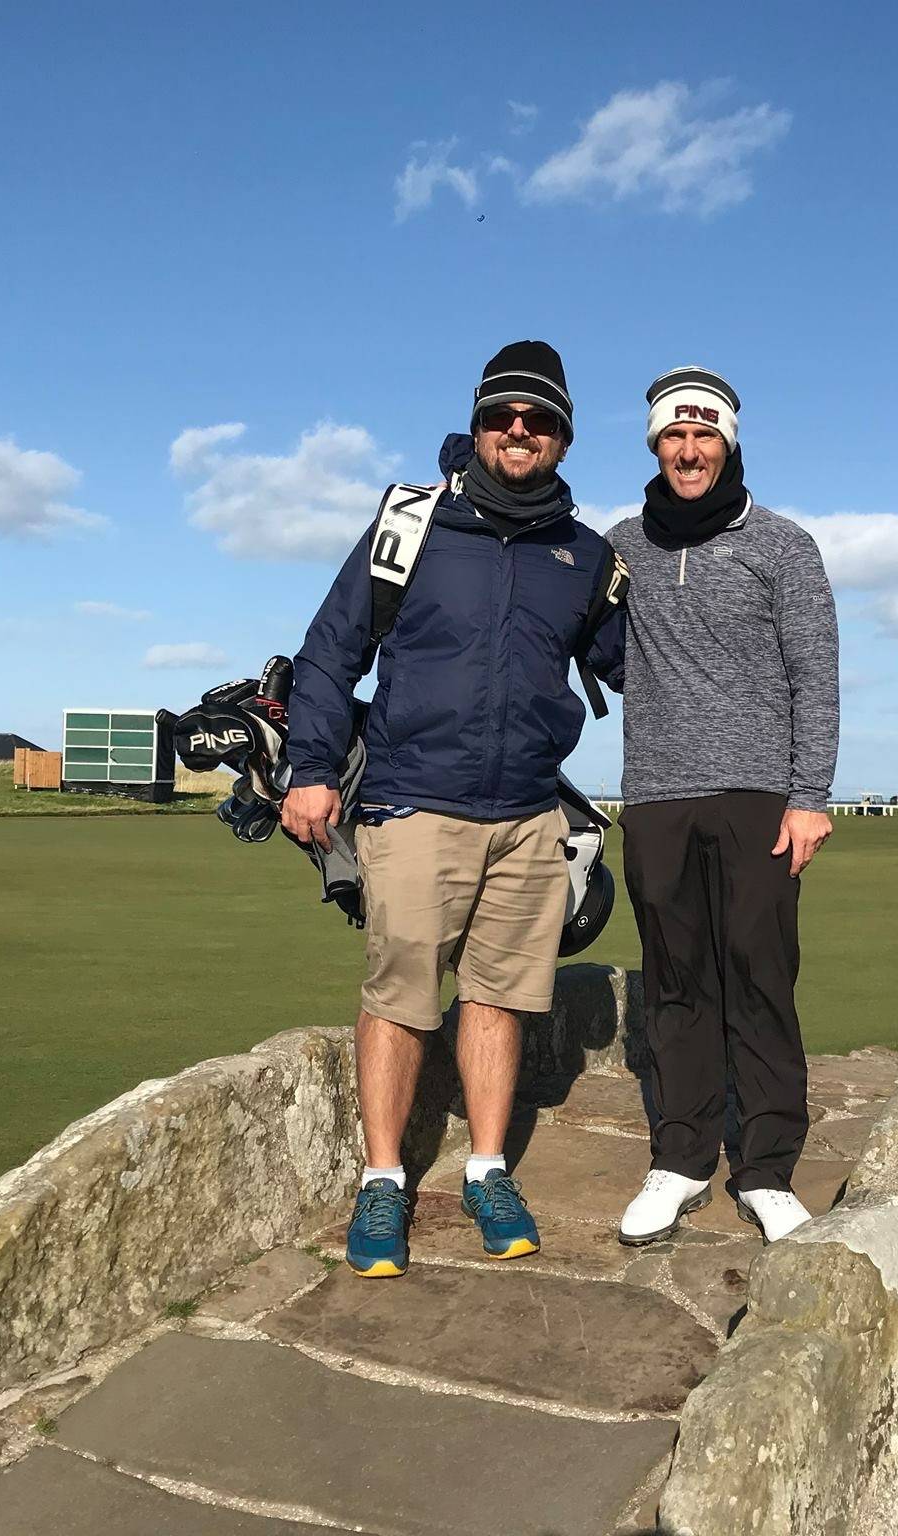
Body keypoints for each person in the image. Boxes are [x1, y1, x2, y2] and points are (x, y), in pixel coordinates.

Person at [281, 341, 625, 1277]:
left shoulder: (587, 555)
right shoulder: (409, 523)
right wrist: (309, 766)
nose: (519, 431)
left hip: (525, 813)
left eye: (539, 420)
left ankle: (485, 1169)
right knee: (399, 999)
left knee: (500, 998)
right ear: (476, 424)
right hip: (414, 802)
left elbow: (638, 669)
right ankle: (384, 1181)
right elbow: (329, 650)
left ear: (562, 438)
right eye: (503, 415)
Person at [609, 366, 839, 1246]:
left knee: (759, 976)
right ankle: (681, 1157)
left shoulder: (783, 544)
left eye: (705, 435)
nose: (690, 450)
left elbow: (814, 674)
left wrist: (809, 796)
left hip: (759, 799)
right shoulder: (622, 545)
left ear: (729, 443)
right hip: (658, 797)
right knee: (674, 981)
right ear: (656, 444)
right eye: (675, 435)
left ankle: (769, 1167)